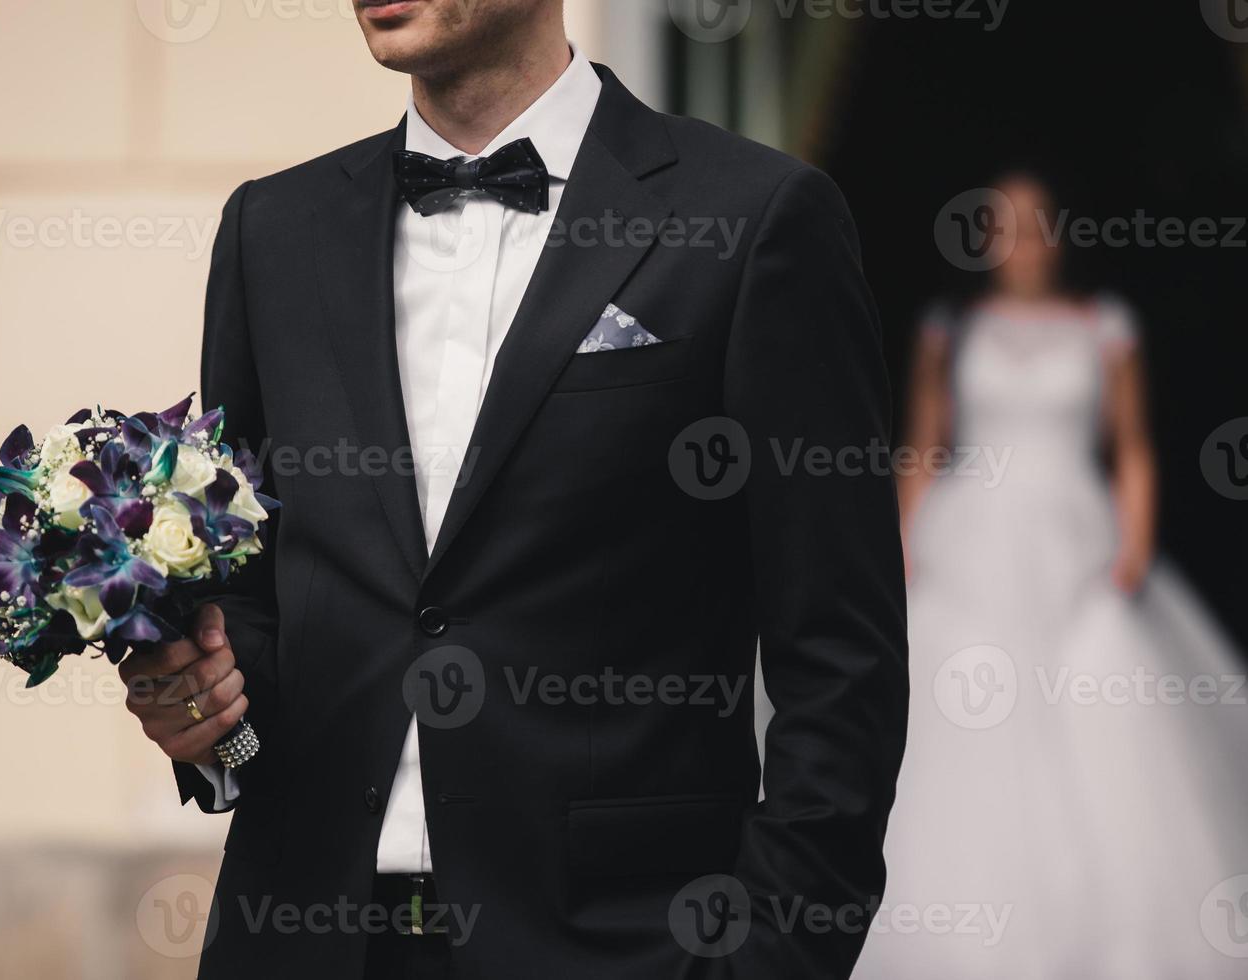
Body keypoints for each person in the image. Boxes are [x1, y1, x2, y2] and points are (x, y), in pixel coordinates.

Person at [119, 2, 908, 976]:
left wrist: (771, 957)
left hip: (623, 948)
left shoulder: (755, 220)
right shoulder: (270, 232)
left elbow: (842, 658)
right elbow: (256, 609)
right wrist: (206, 723)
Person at [854, 174, 1248, 978]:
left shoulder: (1105, 326)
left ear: (1058, 234)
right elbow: (923, 444)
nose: (1020, 240)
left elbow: (1132, 443)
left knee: (1102, 717)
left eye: (1033, 224)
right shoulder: (950, 326)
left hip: (1077, 540)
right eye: (1001, 225)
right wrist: (902, 543)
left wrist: (1133, 542)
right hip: (970, 540)